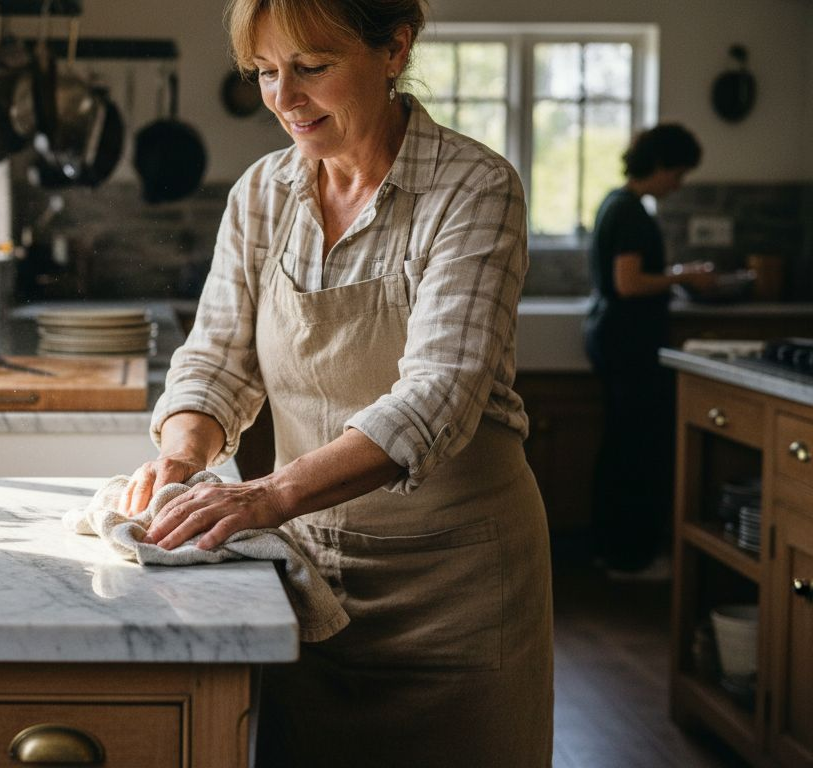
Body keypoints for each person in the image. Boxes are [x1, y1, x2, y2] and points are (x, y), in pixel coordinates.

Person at [117, 1, 552, 764]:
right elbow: (216, 359)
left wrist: (266, 495)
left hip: (459, 589)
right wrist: (184, 458)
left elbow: (437, 399)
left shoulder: (474, 188)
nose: (284, 98)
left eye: (312, 68)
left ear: (393, 49)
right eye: (265, 73)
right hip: (305, 574)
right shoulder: (260, 194)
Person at [584, 124, 715, 575]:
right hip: (628, 343)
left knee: (623, 444)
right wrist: (684, 276)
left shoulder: (615, 202)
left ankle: (614, 551)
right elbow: (629, 282)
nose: (678, 185)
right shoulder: (633, 214)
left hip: (611, 339)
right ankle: (628, 555)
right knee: (634, 449)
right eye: (678, 174)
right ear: (659, 165)